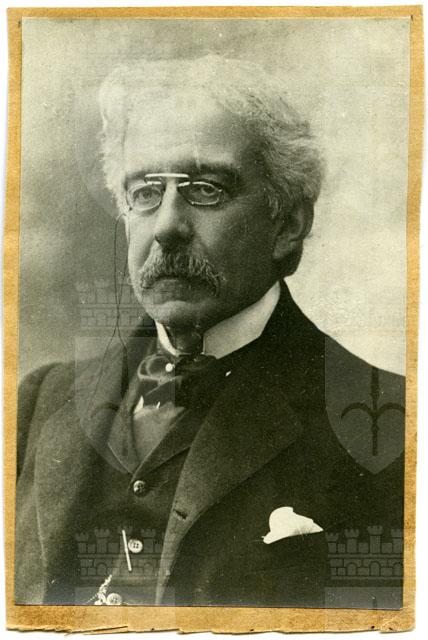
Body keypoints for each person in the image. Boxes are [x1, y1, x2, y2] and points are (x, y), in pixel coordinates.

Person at [15, 55, 405, 609]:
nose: (167, 227)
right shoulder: (37, 403)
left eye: (205, 189)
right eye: (145, 192)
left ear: (288, 224)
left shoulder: (388, 422)